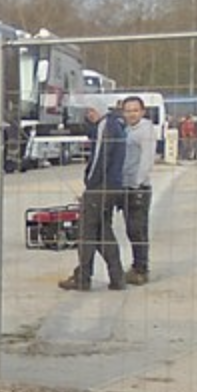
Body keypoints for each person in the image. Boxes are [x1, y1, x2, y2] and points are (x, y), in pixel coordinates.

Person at [60, 104, 130, 292]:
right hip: (113, 186)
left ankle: (83, 278)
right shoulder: (116, 124)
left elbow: (100, 156)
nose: (88, 115)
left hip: (100, 187)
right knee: (103, 232)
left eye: (90, 111)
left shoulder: (106, 126)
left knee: (86, 232)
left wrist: (90, 183)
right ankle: (117, 276)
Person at [117, 95, 158, 285]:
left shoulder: (145, 130)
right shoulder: (126, 130)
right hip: (125, 186)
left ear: (142, 112)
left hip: (138, 188)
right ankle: (136, 266)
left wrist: (138, 182)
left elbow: (147, 159)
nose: (131, 114)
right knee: (130, 230)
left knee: (138, 229)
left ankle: (141, 269)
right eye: (128, 110)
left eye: (135, 110)